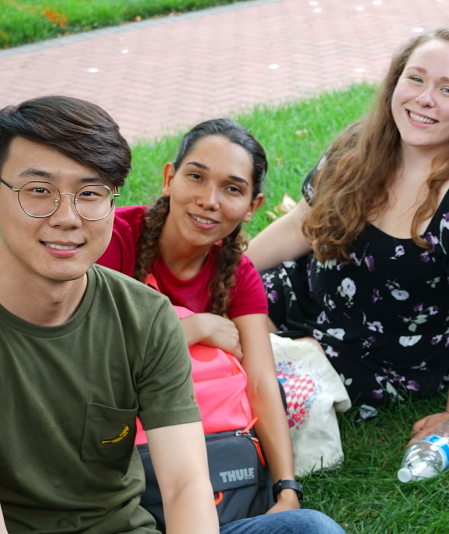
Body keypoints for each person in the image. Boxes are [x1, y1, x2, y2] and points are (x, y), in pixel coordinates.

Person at [0, 96, 342, 534]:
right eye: (39, 190)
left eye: (91, 193)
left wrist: (285, 486)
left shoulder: (148, 316)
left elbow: (185, 487)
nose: (68, 217)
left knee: (309, 528)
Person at [246, 28, 449, 445]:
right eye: (416, 78)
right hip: (311, 300)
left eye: (448, 90)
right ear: (395, 83)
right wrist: (231, 272)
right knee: (221, 307)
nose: (425, 98)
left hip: (382, 355)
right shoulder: (357, 146)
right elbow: (300, 225)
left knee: (260, 381)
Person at [96, 119, 306, 515]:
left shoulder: (238, 275)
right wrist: (195, 328)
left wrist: (287, 491)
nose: (210, 200)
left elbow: (261, 382)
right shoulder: (113, 238)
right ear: (169, 178)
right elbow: (84, 352)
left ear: (252, 206)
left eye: (232, 189)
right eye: (196, 177)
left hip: (208, 454)